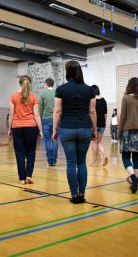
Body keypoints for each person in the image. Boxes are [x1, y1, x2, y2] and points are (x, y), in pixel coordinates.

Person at [53, 61, 97, 204]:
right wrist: (94, 130)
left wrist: (54, 129)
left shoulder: (61, 89)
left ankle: (74, 195)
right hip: (85, 128)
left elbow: (57, 111)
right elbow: (92, 112)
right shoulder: (89, 90)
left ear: (67, 72)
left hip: (67, 129)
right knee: (82, 162)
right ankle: (82, 194)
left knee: (71, 163)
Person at [8, 75, 43, 184]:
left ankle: (22, 178)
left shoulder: (13, 96)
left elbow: (11, 115)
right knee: (31, 152)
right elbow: (37, 115)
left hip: (17, 127)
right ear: (30, 84)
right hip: (31, 127)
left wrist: (10, 128)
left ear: (19, 83)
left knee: (19, 153)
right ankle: (29, 175)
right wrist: (40, 130)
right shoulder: (33, 97)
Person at [118, 77, 138, 194]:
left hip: (128, 132)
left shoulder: (126, 98)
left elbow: (123, 117)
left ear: (129, 86)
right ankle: (135, 184)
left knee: (125, 157)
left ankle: (133, 177)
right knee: (136, 158)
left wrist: (119, 133)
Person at [39, 78, 58, 166]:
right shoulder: (57, 93)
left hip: (45, 119)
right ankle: (54, 161)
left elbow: (40, 109)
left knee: (47, 140)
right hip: (56, 119)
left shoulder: (43, 93)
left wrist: (40, 119)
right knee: (55, 139)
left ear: (46, 84)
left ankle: (49, 161)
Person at [90, 85, 108, 167]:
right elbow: (105, 114)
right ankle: (104, 155)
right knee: (99, 142)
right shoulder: (103, 100)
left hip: (94, 124)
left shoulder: (91, 100)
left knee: (94, 142)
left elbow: (90, 113)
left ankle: (95, 162)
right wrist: (104, 123)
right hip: (102, 124)